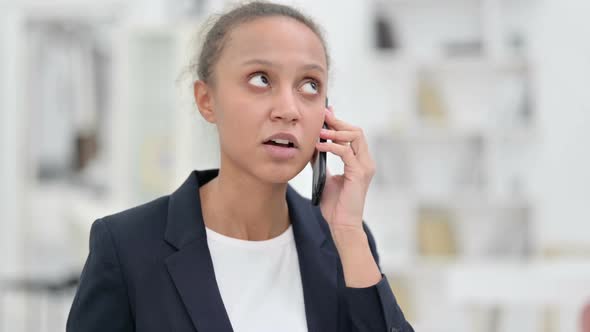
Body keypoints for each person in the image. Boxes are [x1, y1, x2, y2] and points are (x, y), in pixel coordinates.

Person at [66, 2, 413, 331]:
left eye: (310, 85)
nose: (288, 109)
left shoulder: (345, 242)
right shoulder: (127, 246)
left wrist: (349, 233)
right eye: (261, 79)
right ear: (206, 100)